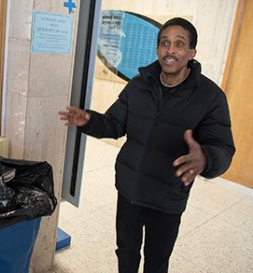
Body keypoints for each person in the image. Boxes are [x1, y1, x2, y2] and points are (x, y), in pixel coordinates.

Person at [58, 17, 235, 273]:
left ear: (191, 53)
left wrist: (206, 158)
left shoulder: (210, 97)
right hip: (130, 190)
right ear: (158, 49)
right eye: (164, 43)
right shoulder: (139, 84)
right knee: (126, 253)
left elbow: (224, 149)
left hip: (167, 198)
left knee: (156, 262)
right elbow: (114, 124)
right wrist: (89, 120)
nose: (170, 49)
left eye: (179, 44)